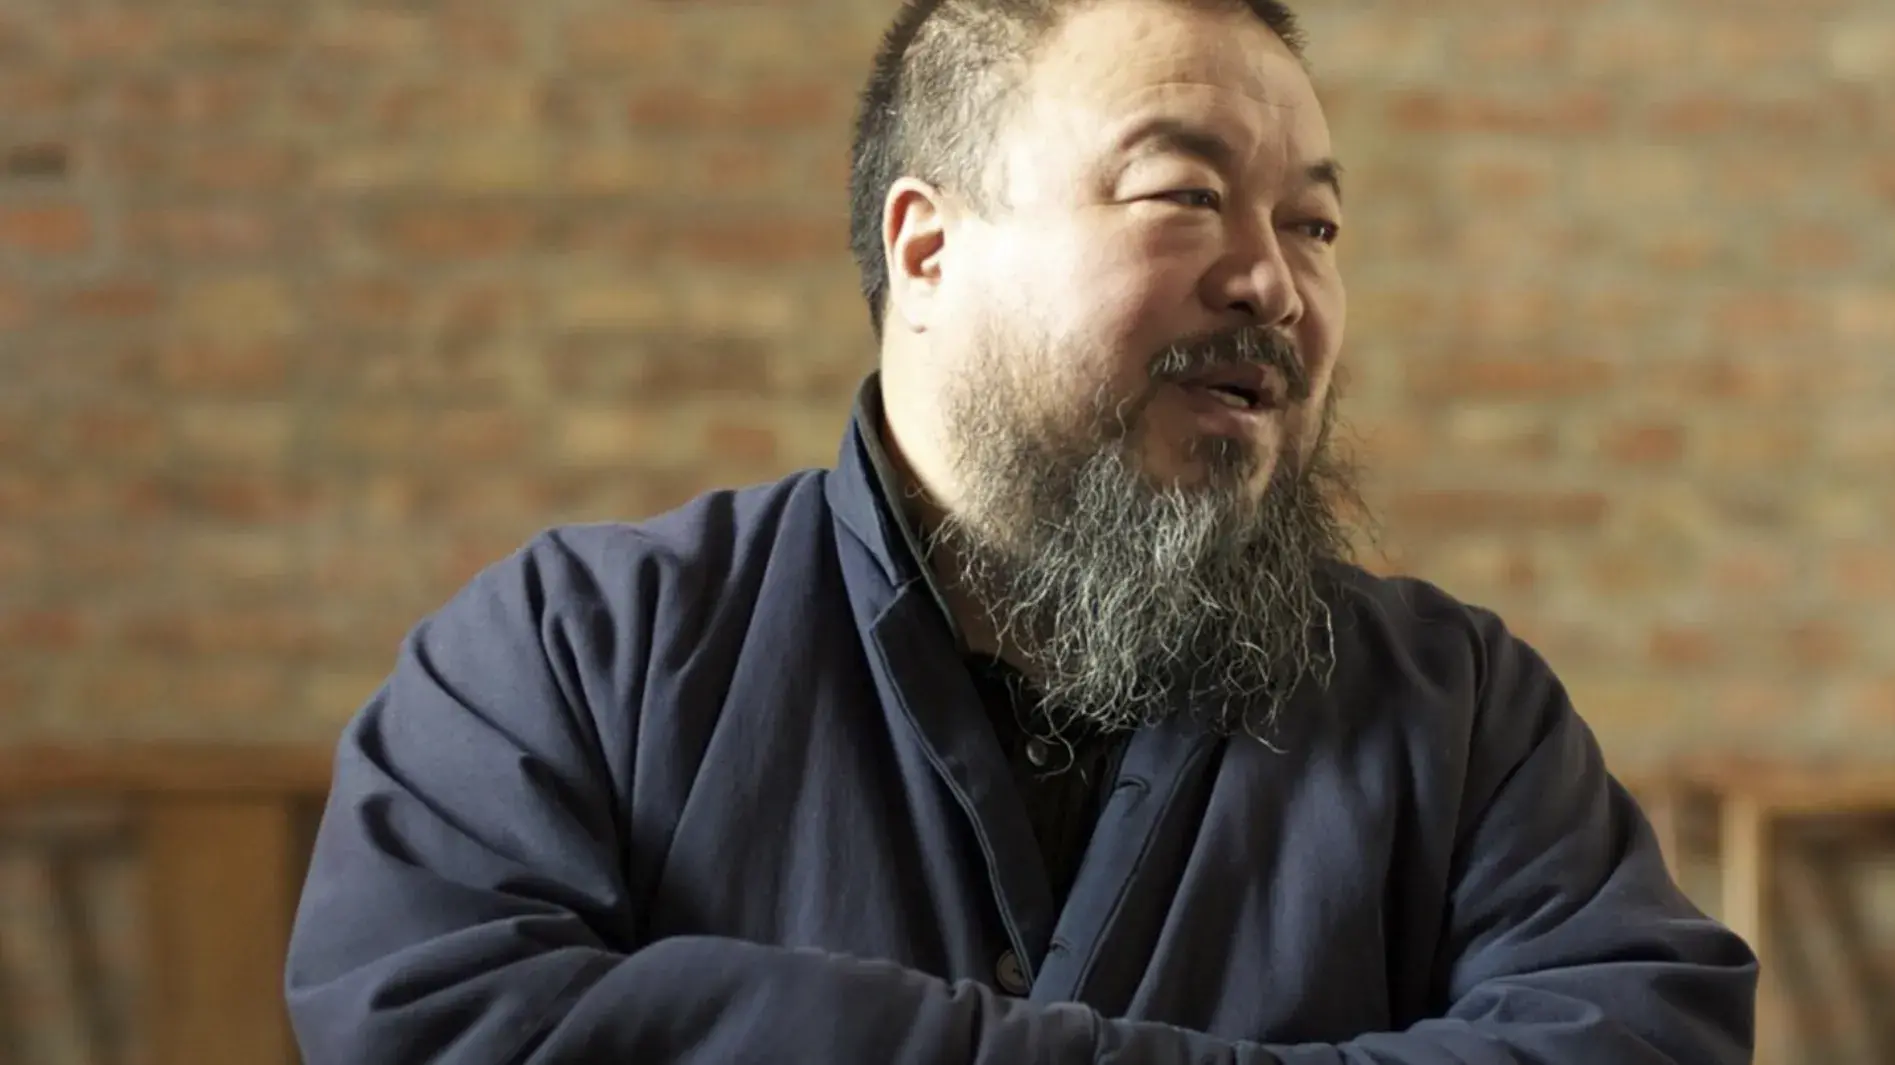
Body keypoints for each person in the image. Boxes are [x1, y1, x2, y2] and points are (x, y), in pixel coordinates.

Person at [284, 0, 1758, 1061]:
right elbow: (435, 1016)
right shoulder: (569, 659)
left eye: (1312, 224)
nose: (1270, 282)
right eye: (1184, 193)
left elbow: (1642, 1030)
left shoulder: (1464, 714)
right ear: (926, 248)